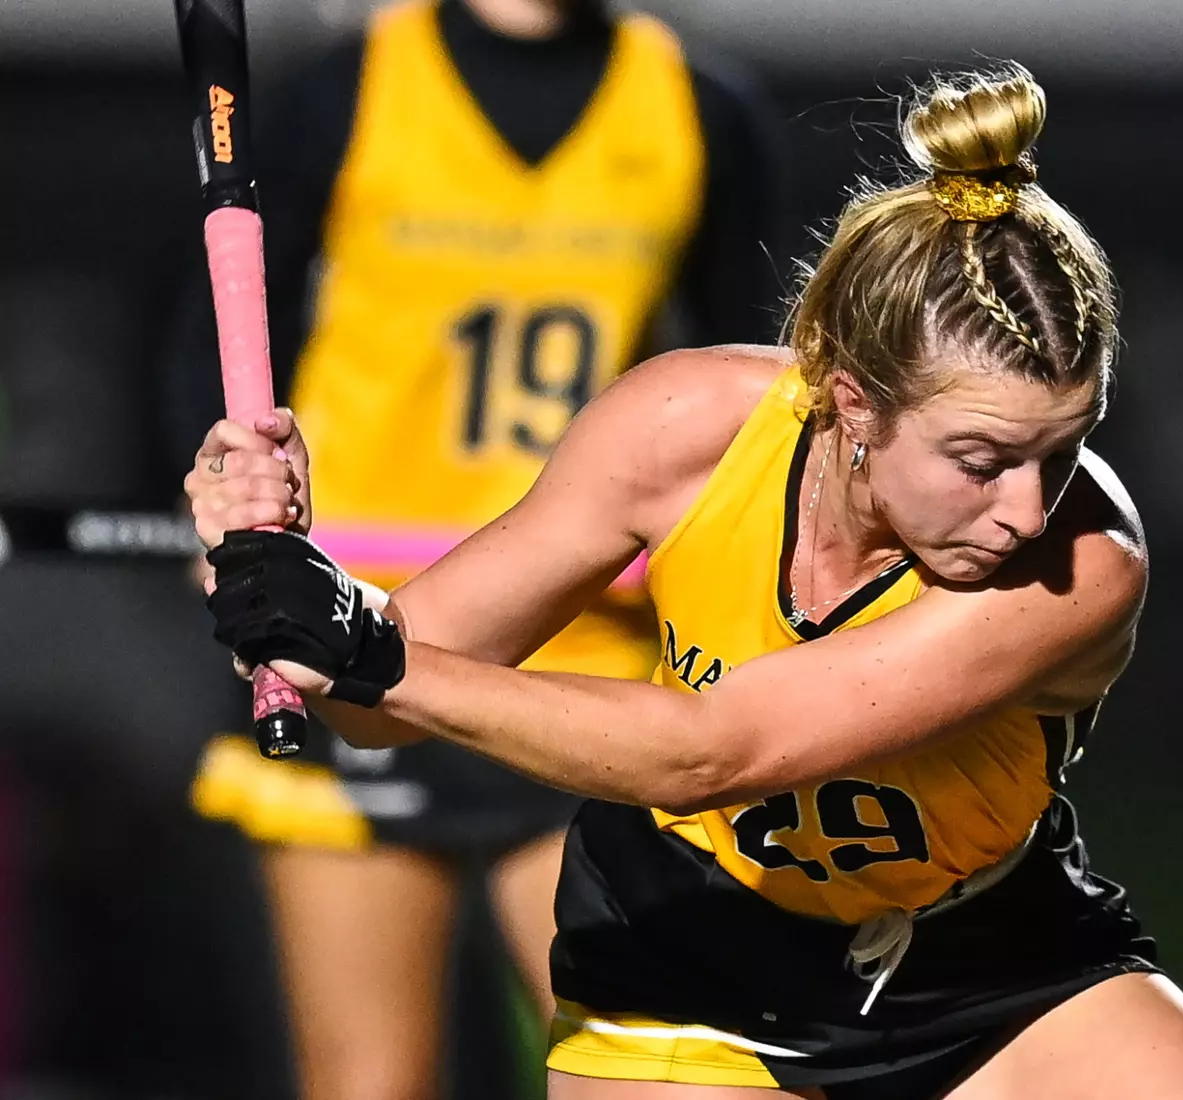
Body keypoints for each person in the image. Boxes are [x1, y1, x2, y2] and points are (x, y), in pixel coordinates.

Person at [186, 65, 1183, 1100]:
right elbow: (381, 717)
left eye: (1065, 450)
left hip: (990, 958)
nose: (1027, 509)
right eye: (984, 460)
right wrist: (291, 589)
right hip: (697, 971)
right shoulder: (680, 430)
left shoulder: (1084, 563)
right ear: (853, 402)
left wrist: (360, 645)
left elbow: (717, 750)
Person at [165, 0, 780, 1097]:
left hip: (581, 650)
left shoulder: (700, 106)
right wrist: (223, 512)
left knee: (663, 1069)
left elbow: (758, 391)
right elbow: (196, 346)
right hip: (357, 621)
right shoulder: (348, 88)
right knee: (370, 1079)